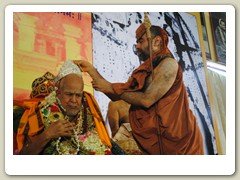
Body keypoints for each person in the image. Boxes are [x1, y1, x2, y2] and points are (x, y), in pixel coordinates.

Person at [74, 23, 204, 155]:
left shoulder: (169, 65)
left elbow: (146, 100)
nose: (137, 46)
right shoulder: (147, 68)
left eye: (141, 41)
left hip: (177, 139)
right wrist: (91, 70)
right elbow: (117, 93)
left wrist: (109, 88)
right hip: (150, 135)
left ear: (157, 42)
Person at [17, 60, 112, 155]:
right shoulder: (41, 112)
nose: (74, 100)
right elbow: (24, 155)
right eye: (69, 94)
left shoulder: (89, 111)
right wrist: (47, 134)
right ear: (58, 92)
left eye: (78, 95)